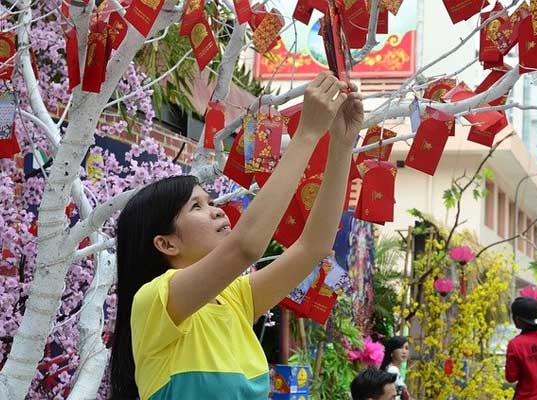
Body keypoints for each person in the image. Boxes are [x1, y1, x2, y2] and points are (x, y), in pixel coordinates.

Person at [109, 71, 364, 399]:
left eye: (211, 201)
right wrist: (307, 134)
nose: (216, 210)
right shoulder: (154, 300)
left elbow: (313, 247)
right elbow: (245, 246)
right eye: (196, 207)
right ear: (166, 242)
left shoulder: (235, 298)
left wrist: (342, 144)